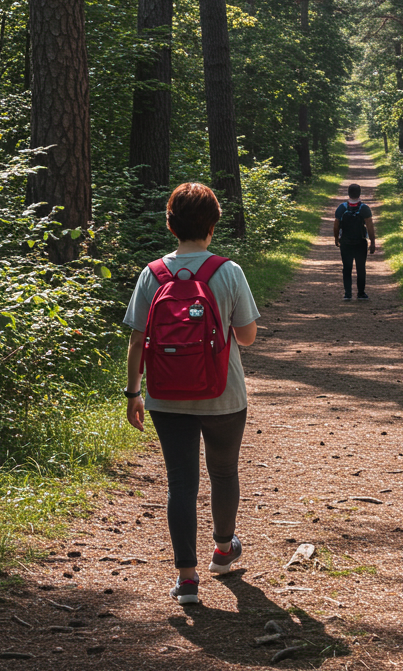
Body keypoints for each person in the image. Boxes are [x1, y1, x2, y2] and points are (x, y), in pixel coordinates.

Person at [123, 182, 260, 606]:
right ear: (213, 225)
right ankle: (223, 549)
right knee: (223, 472)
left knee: (180, 483)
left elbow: (136, 340)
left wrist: (133, 393)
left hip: (166, 395)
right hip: (224, 395)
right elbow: (248, 337)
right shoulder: (228, 271)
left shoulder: (153, 273)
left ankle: (187, 578)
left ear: (170, 224)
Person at [333, 183, 376, 300]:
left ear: (348, 193)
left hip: (345, 243)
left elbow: (336, 226)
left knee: (347, 268)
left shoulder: (341, 208)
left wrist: (337, 239)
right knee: (361, 268)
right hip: (360, 243)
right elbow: (370, 226)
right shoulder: (364, 208)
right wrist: (372, 242)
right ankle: (361, 293)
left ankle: (347, 294)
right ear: (359, 193)